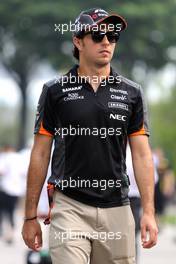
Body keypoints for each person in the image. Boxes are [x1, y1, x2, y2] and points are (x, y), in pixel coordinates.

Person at [22, 8, 158, 264]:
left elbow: (141, 155)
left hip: (118, 207)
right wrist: (30, 216)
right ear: (77, 41)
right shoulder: (54, 91)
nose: (106, 41)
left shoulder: (132, 93)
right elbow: (40, 152)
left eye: (112, 36)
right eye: (97, 35)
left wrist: (149, 212)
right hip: (69, 206)